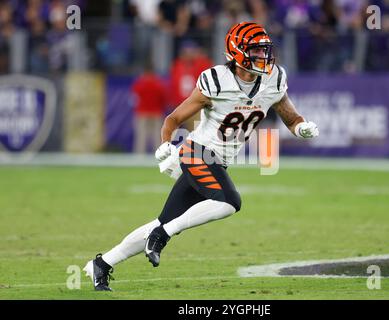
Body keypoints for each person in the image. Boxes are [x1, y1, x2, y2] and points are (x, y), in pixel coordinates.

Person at [83, 21, 319, 291]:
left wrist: (301, 127)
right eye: (255, 51)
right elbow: (174, 118)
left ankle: (102, 264)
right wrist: (165, 143)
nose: (262, 57)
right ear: (237, 52)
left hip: (218, 161)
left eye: (263, 50)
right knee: (230, 202)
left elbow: (289, 115)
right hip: (197, 153)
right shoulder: (216, 80)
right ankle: (162, 236)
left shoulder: (273, 79)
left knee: (163, 219)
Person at [132, 61, 167, 154]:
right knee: (156, 136)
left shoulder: (139, 83)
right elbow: (163, 98)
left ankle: (139, 157)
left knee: (141, 136)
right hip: (156, 112)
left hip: (142, 112)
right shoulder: (158, 83)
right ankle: (159, 156)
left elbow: (134, 99)